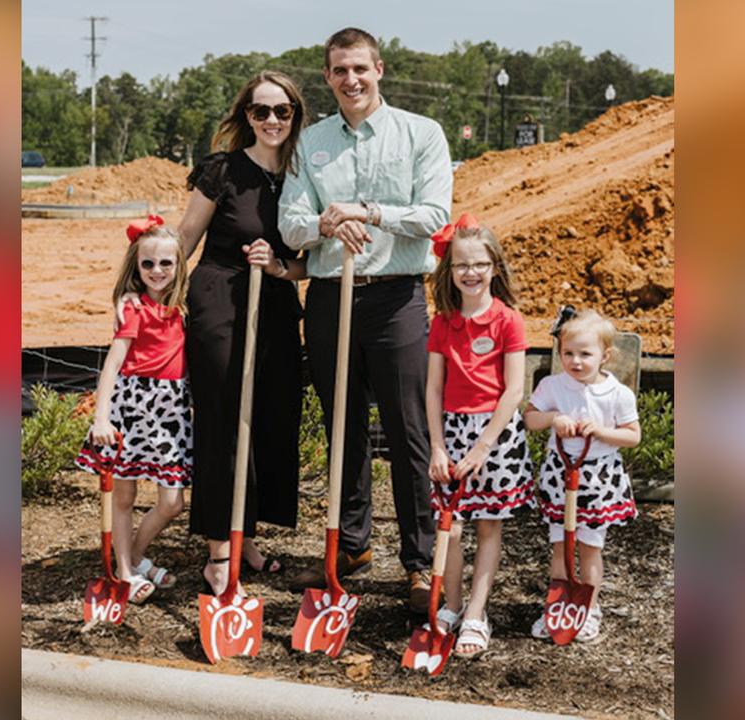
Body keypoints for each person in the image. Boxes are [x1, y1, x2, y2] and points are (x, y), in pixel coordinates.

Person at [280, 27, 453, 613]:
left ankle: (418, 559)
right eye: (338, 71)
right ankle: (350, 546)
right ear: (327, 78)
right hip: (330, 298)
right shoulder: (312, 142)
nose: (350, 80)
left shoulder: (420, 134)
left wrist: (368, 211)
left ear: (379, 69)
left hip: (396, 298)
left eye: (360, 68)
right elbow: (290, 223)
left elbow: (434, 214)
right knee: (343, 427)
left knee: (408, 431)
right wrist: (328, 223)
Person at [178, 71, 309, 596]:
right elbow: (186, 236)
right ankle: (217, 548)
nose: (272, 120)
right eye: (261, 111)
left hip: (275, 302)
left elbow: (308, 265)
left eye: (283, 111)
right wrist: (142, 293)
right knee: (226, 418)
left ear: (296, 115)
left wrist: (280, 265)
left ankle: (245, 533)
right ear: (246, 116)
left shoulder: (304, 176)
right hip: (220, 301)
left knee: (268, 420)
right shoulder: (223, 170)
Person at [425, 214, 533, 657]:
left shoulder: (509, 321)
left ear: (494, 267)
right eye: (461, 265)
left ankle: (475, 612)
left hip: (496, 436)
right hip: (450, 429)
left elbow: (514, 389)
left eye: (479, 264)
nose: (470, 272)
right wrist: (436, 445)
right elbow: (433, 387)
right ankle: (449, 605)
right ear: (449, 271)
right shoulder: (442, 322)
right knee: (448, 527)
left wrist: (484, 445)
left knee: (489, 527)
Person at [75, 216, 191, 604]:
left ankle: (137, 554)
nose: (157, 271)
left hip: (170, 411)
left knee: (172, 503)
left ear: (179, 266)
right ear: (135, 266)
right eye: (148, 264)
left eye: (166, 263)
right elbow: (112, 364)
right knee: (123, 498)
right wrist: (102, 416)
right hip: (132, 406)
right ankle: (124, 570)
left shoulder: (184, 308)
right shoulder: (132, 308)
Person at [523, 308, 642, 642]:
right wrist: (554, 418)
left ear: (605, 355)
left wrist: (602, 431)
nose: (575, 361)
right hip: (559, 476)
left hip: (598, 481)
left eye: (585, 354)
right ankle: (557, 607)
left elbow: (633, 436)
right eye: (568, 353)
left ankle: (588, 609)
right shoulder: (552, 386)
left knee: (590, 546)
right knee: (560, 545)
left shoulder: (617, 394)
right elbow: (530, 419)